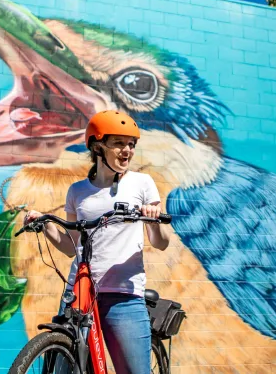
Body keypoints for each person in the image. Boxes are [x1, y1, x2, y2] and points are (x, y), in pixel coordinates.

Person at [24, 110, 171, 374]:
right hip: (78, 293)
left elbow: (161, 243)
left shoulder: (142, 183)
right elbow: (71, 246)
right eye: (118, 143)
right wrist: (45, 224)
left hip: (122, 296)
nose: (127, 150)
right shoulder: (78, 191)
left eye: (131, 144)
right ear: (97, 146)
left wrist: (152, 219)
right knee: (64, 369)